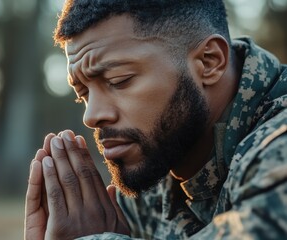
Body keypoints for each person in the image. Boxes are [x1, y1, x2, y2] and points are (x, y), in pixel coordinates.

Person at [25, 0, 287, 239]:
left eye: (119, 81)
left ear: (209, 62)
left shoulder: (279, 142)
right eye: (82, 93)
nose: (91, 116)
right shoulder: (156, 164)